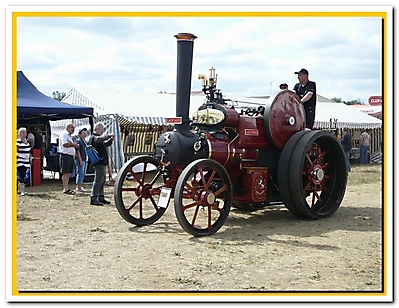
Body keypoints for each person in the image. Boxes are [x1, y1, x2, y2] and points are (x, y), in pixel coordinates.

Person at [90, 122, 115, 206]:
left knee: (102, 180)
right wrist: (108, 136)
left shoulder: (98, 139)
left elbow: (105, 144)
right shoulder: (94, 138)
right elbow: (99, 139)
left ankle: (101, 197)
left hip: (102, 162)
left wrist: (110, 140)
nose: (103, 130)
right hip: (98, 163)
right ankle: (93, 198)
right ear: (97, 129)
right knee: (98, 180)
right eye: (102, 129)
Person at [59, 123, 78, 195]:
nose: (73, 129)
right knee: (65, 172)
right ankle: (65, 188)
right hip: (65, 155)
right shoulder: (64, 134)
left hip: (70, 156)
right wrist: (73, 145)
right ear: (67, 127)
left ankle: (66, 187)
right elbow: (65, 144)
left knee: (68, 173)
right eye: (72, 127)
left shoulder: (69, 136)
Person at [17, 127, 32, 196]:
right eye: (23, 132)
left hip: (26, 162)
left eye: (25, 132)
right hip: (20, 161)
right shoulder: (17, 142)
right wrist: (21, 156)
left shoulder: (27, 142)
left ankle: (19, 189)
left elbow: (29, 152)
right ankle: (22, 190)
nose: (24, 134)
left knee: (24, 175)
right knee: (22, 174)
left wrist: (30, 159)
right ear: (19, 133)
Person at [75, 128, 89, 193]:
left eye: (86, 133)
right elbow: (77, 151)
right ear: (80, 134)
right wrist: (80, 160)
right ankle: (78, 187)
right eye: (83, 133)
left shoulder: (84, 141)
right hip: (80, 159)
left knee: (83, 173)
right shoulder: (78, 141)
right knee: (80, 172)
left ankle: (80, 185)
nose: (85, 134)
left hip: (85, 159)